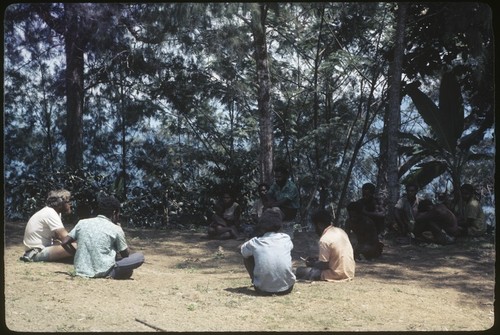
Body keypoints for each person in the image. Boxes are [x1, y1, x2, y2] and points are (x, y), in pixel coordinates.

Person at [61, 195, 144, 279]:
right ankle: (111, 274)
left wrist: (76, 255)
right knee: (139, 257)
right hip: (104, 271)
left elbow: (64, 242)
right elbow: (125, 255)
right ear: (114, 212)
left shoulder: (82, 223)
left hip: (81, 270)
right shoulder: (116, 229)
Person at [240, 208, 296, 295]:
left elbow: (243, 251)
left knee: (247, 256)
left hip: (262, 290)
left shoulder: (255, 242)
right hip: (287, 288)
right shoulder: (286, 239)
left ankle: (256, 281)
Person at [295, 209, 355, 282]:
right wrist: (317, 260)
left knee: (299, 271)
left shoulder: (324, 239)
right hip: (349, 272)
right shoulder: (341, 231)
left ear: (320, 225)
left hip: (336, 275)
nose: (315, 230)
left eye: (315, 226)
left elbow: (324, 265)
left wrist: (312, 263)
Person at [20, 189, 76, 262]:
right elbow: (66, 238)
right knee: (78, 246)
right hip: (36, 253)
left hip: (35, 250)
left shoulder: (52, 212)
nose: (70, 204)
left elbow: (59, 237)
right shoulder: (50, 213)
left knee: (76, 245)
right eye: (68, 201)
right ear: (60, 203)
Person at [264, 164, 300, 239]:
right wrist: (271, 201)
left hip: (290, 210)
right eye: (276, 177)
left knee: (274, 211)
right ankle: (267, 234)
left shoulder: (291, 187)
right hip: (279, 207)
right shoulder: (276, 184)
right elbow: (269, 194)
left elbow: (284, 202)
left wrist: (271, 204)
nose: (277, 179)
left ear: (285, 176)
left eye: (279, 177)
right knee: (267, 211)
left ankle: (278, 236)